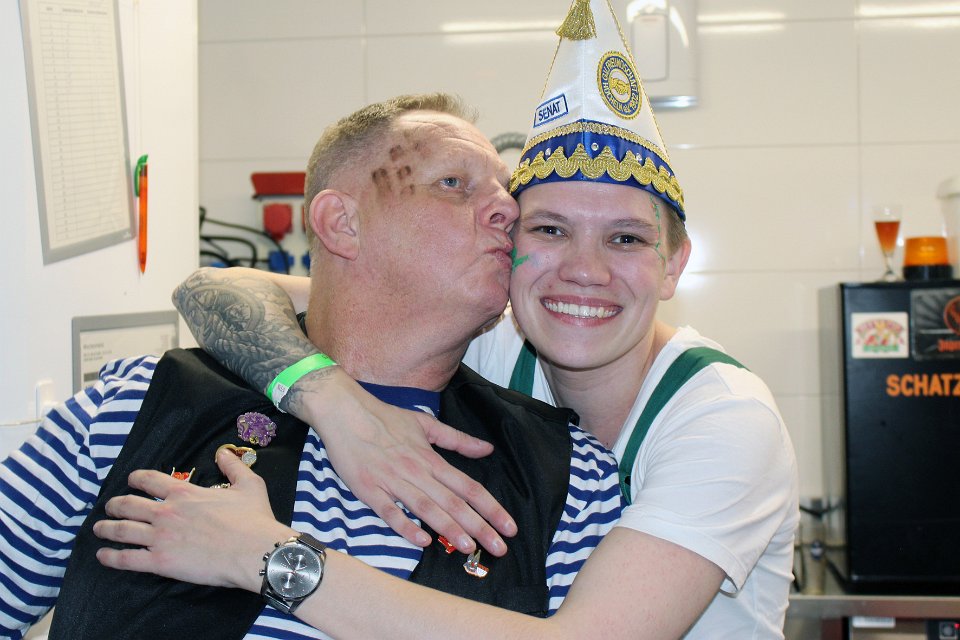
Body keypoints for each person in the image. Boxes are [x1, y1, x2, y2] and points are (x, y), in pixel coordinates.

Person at [97, 1, 800, 638]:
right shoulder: (493, 339)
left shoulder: (721, 420)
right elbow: (217, 288)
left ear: (674, 266)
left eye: (626, 238)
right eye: (549, 230)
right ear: (510, 245)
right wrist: (333, 402)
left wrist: (266, 556)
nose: (584, 270)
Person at [0, 93, 624, 640]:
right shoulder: (139, 401)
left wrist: (269, 557)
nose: (507, 210)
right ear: (340, 224)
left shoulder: (569, 475)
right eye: (453, 184)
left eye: (505, 193)